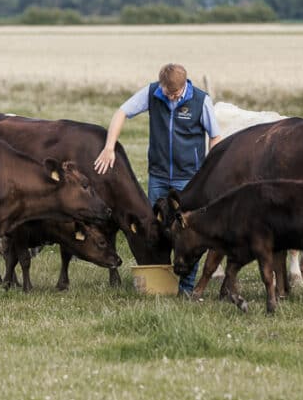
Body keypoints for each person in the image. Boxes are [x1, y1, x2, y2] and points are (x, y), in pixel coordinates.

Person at [94, 63, 222, 295]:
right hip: (158, 177)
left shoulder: (201, 101)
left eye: (172, 94)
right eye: (165, 91)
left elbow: (215, 137)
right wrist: (109, 147)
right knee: (157, 230)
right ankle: (160, 284)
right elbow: (122, 112)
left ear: (183, 88)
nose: (167, 96)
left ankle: (185, 287)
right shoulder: (153, 92)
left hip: (189, 179)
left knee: (188, 232)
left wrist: (208, 172)